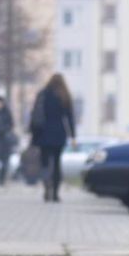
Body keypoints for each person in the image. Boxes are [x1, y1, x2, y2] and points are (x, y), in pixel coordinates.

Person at [29, 73, 78, 202]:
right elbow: (69, 117)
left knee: (45, 162)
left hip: (43, 133)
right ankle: (55, 193)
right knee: (57, 163)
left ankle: (47, 187)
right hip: (59, 133)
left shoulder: (43, 94)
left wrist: (33, 132)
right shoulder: (64, 95)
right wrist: (73, 136)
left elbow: (35, 113)